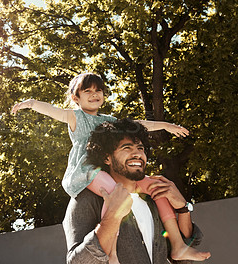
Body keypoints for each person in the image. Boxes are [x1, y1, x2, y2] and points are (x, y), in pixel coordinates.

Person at [12, 73, 207, 261]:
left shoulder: (109, 121)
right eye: (87, 90)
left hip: (104, 172)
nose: (95, 94)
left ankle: (179, 246)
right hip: (88, 173)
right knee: (116, 195)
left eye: (99, 90)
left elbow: (137, 124)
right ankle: (112, 253)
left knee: (158, 187)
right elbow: (55, 111)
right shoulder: (76, 117)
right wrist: (30, 103)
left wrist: (165, 125)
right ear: (75, 98)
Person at [63, 118, 211, 263]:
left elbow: (181, 257)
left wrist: (183, 208)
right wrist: (113, 216)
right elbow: (77, 262)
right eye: (126, 148)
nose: (137, 154)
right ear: (106, 158)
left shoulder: (153, 200)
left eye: (140, 148)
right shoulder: (86, 200)